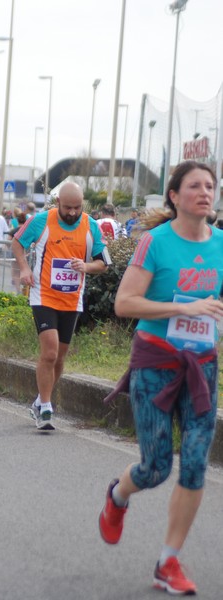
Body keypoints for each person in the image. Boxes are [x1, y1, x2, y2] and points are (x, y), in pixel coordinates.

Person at [98, 161, 223, 595]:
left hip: (202, 365)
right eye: (195, 185)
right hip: (156, 362)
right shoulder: (155, 243)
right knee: (155, 467)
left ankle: (168, 562)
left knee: (193, 465)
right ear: (174, 195)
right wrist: (182, 309)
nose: (205, 192)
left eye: (211, 185)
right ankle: (118, 497)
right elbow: (125, 303)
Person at [12, 181, 110, 430]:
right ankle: (46, 407)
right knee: (50, 351)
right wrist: (24, 269)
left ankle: (38, 401)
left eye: (77, 207)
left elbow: (103, 263)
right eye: (67, 207)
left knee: (60, 358)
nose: (72, 213)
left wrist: (85, 266)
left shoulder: (91, 226)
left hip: (71, 298)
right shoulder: (41, 220)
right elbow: (17, 242)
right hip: (43, 295)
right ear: (58, 204)